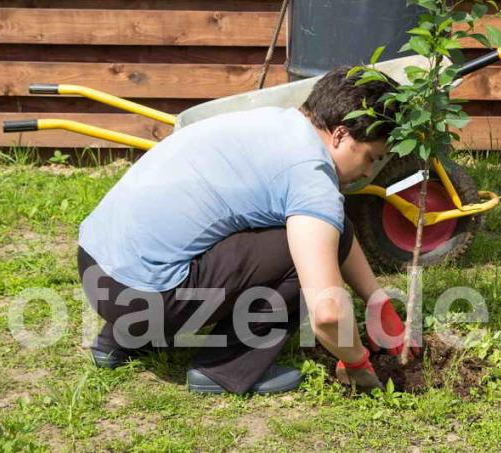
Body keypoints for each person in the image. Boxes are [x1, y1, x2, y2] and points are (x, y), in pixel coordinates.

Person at [77, 66, 420, 395]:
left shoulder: (277, 122)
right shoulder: (309, 175)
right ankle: (225, 368)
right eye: (372, 157)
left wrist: (376, 302)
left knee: (317, 229)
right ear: (341, 135)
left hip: (98, 272)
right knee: (304, 255)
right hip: (146, 300)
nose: (369, 171)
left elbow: (336, 227)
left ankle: (121, 339)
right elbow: (328, 315)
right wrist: (358, 365)